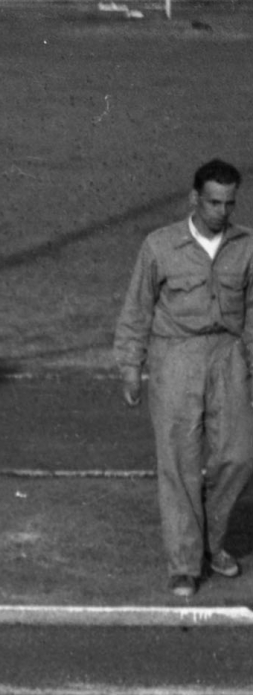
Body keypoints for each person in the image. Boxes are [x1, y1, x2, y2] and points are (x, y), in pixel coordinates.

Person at [114, 157, 251, 597]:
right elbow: (137, 309)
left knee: (239, 455)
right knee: (179, 462)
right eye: (213, 202)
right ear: (195, 199)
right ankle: (184, 563)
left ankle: (212, 541)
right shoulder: (159, 246)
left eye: (229, 203)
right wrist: (131, 367)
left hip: (228, 356)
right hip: (175, 356)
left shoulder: (247, 246)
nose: (222, 212)